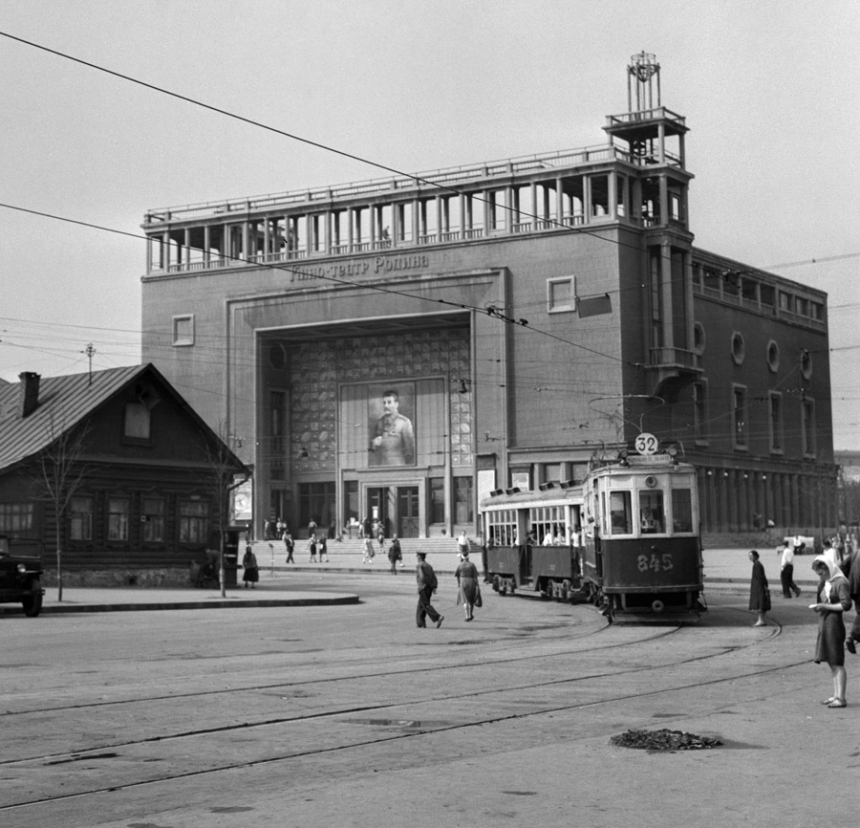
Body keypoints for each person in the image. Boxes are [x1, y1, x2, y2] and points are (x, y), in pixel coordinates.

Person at [810, 555, 851, 708]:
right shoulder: (826, 582)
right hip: (825, 623)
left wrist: (825, 606)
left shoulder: (840, 582)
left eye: (822, 572)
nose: (820, 575)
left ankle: (841, 697)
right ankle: (836, 695)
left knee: (837, 660)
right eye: (818, 573)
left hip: (834, 624)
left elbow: (846, 605)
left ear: (828, 568)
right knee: (830, 661)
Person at [369, 389, 415, 466]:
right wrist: (373, 444)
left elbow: (411, 451)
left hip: (399, 467)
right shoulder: (379, 422)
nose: (386, 406)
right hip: (381, 467)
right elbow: (372, 451)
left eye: (389, 402)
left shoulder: (404, 422)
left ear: (396, 404)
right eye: (384, 403)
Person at [415, 552, 443, 628]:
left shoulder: (419, 566)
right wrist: (434, 586)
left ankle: (437, 617)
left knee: (425, 605)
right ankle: (420, 622)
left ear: (419, 558)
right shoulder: (429, 566)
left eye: (417, 557)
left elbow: (422, 577)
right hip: (429, 588)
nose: (417, 558)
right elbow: (434, 577)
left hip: (423, 587)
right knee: (421, 605)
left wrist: (425, 585)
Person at [842, 542, 860, 655]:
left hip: (854, 588)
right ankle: (853, 635)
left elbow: (842, 567)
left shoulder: (855, 553)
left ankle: (854, 635)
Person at [455, 551, 481, 621]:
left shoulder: (460, 565)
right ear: (468, 557)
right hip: (471, 581)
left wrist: (458, 583)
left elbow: (457, 575)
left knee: (465, 600)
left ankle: (467, 616)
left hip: (463, 582)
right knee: (471, 599)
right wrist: (477, 585)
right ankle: (470, 614)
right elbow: (475, 576)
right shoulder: (472, 565)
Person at [748, 550, 770, 626]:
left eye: (751, 556)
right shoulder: (758, 564)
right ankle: (761, 619)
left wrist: (763, 585)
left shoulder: (757, 565)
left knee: (759, 603)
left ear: (756, 556)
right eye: (749, 556)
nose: (750, 558)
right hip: (758, 586)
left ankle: (761, 620)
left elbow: (760, 577)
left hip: (758, 587)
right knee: (761, 603)